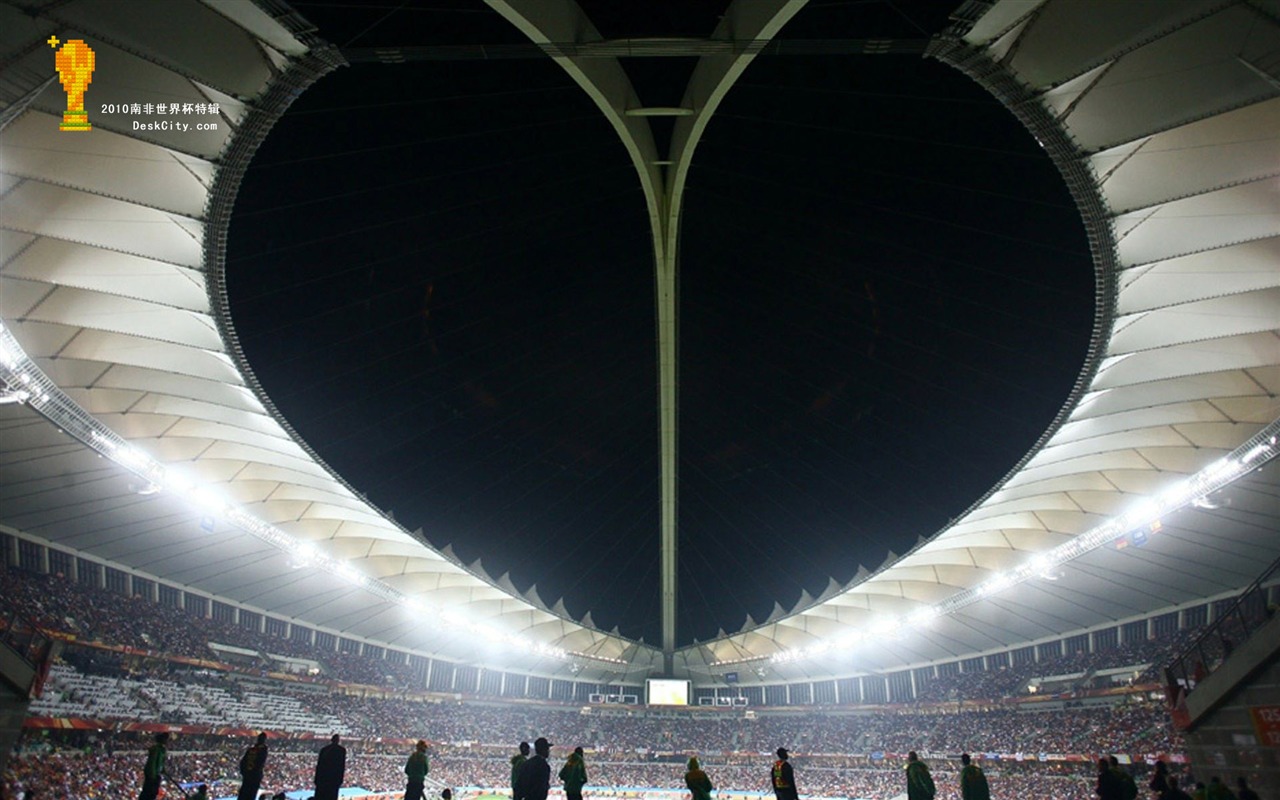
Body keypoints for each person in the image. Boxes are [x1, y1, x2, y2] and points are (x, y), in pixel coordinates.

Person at [237, 732, 269, 800]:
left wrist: (244, 773)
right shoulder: (263, 750)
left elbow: (242, 762)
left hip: (247, 775)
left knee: (243, 792)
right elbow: (260, 763)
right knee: (251, 794)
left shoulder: (251, 750)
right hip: (254, 776)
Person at [315, 734, 347, 800]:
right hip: (334, 780)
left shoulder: (324, 750)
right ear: (338, 741)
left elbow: (319, 766)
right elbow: (341, 766)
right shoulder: (341, 750)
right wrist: (340, 780)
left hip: (322, 779)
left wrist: (316, 780)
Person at [138, 731, 169, 800]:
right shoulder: (156, 749)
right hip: (152, 774)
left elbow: (161, 762)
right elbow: (152, 762)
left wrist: (163, 769)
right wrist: (152, 775)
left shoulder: (162, 750)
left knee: (154, 792)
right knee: (148, 792)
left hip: (156, 774)